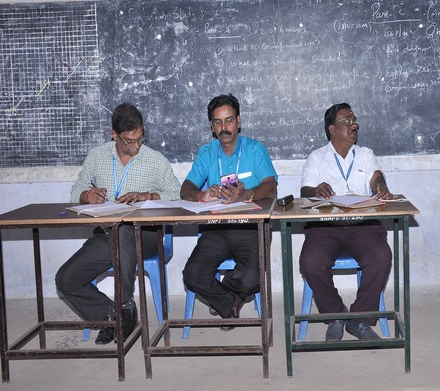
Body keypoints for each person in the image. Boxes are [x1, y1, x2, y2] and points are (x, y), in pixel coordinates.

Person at [56, 102, 181, 344]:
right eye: (129, 141)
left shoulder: (155, 160)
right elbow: (76, 191)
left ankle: (124, 304)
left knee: (125, 226)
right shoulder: (97, 156)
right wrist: (86, 195)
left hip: (146, 237)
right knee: (66, 279)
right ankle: (112, 316)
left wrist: (147, 196)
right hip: (106, 236)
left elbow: (177, 194)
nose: (136, 146)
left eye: (140, 138)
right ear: (114, 135)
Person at [181, 93, 277, 330]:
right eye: (218, 122)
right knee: (192, 274)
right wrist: (201, 195)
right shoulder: (207, 152)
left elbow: (271, 187)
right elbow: (186, 188)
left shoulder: (255, 149)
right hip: (217, 228)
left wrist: (247, 194)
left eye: (229, 120)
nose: (224, 127)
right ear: (212, 126)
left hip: (251, 227)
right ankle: (230, 302)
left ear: (239, 121)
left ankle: (223, 297)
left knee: (253, 276)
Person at [299, 103, 393, 341]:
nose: (354, 125)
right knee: (310, 261)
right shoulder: (317, 157)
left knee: (381, 256)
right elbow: (305, 191)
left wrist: (380, 185)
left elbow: (376, 176)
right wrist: (315, 189)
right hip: (326, 225)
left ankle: (359, 319)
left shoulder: (365, 154)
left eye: (355, 120)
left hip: (362, 224)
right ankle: (336, 314)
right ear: (332, 129)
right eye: (347, 121)